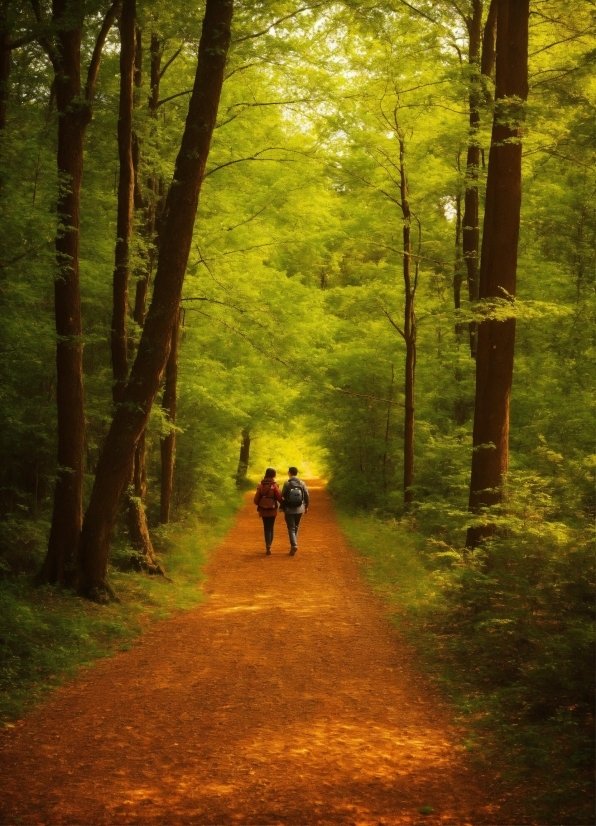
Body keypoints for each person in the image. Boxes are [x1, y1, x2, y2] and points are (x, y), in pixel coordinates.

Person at [254, 467, 283, 555]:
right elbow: (279, 498)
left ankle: (267, 546)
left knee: (266, 527)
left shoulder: (260, 485)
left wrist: (262, 503)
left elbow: (255, 500)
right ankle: (269, 546)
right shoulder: (274, 485)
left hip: (263, 509)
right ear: (274, 475)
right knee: (271, 527)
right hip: (272, 508)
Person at [281, 467, 309, 556]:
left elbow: (282, 495)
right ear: (297, 473)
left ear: (289, 473)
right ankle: (294, 543)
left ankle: (294, 545)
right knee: (296, 526)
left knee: (291, 528)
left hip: (289, 509)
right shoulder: (302, 483)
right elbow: (307, 496)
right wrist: (306, 507)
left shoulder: (287, 483)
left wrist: (282, 506)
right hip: (300, 508)